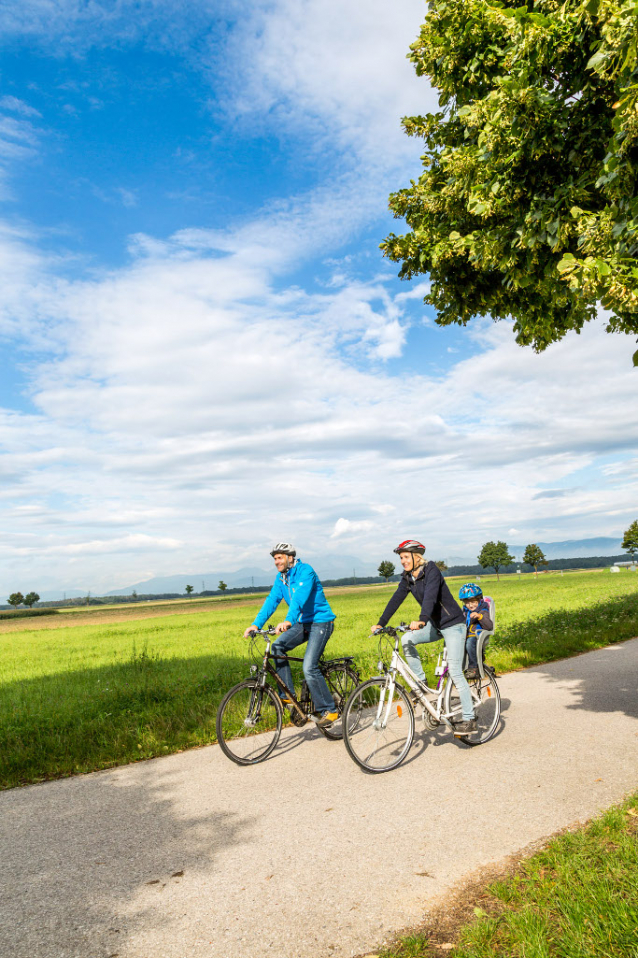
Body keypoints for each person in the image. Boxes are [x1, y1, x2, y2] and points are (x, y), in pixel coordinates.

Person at [371, 539, 477, 736]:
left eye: (405, 557)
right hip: (436, 626)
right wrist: (381, 623)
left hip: (454, 624)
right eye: (400, 558)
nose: (402, 561)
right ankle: (420, 682)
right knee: (406, 640)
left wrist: (421, 619)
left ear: (415, 555)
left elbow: (430, 595)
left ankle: (470, 718)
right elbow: (396, 599)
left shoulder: (431, 571)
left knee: (455, 670)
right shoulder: (408, 577)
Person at [244, 542, 338, 727]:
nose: (276, 562)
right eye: (275, 559)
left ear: (290, 557)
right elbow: (271, 601)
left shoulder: (305, 571)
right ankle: (288, 696)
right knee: (278, 647)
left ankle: (329, 709)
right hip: (303, 623)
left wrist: (288, 620)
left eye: (279, 558)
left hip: (321, 622)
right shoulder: (282, 579)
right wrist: (256, 624)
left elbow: (299, 599)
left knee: (309, 667)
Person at [458, 583, 493, 679]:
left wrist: (479, 617)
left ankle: (473, 668)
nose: (470, 605)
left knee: (469, 643)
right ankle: (455, 669)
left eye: (473, 602)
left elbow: (489, 626)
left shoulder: (483, 610)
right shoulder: (465, 612)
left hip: (478, 637)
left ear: (479, 600)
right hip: (466, 636)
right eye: (467, 603)